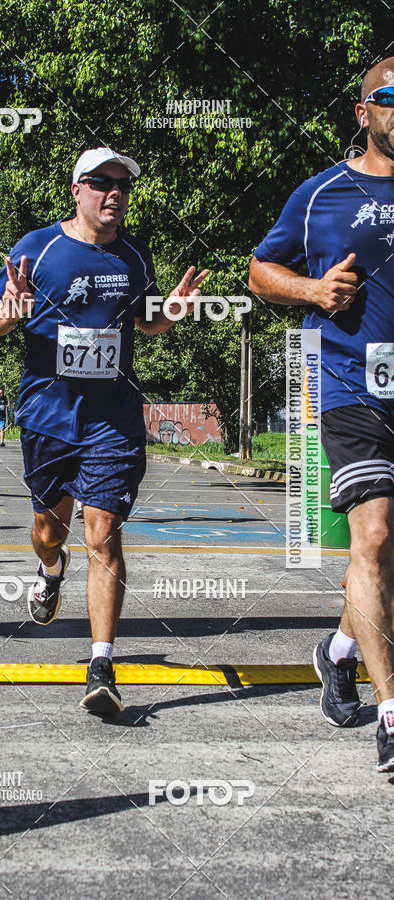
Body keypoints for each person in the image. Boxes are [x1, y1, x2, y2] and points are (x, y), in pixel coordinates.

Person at [0, 146, 208, 715]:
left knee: (103, 534)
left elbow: (146, 324)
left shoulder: (134, 256)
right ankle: (49, 569)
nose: (114, 194)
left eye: (123, 186)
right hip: (49, 418)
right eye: (101, 183)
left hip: (114, 420)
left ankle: (102, 663)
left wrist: (174, 311)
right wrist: (11, 308)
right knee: (48, 530)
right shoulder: (36, 250)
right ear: (76, 190)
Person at [249, 58, 394, 771]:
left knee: (386, 556)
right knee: (373, 538)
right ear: (363, 112)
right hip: (351, 387)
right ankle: (392, 715)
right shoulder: (322, 194)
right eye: (389, 98)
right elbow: (258, 271)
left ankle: (336, 652)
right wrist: (310, 291)